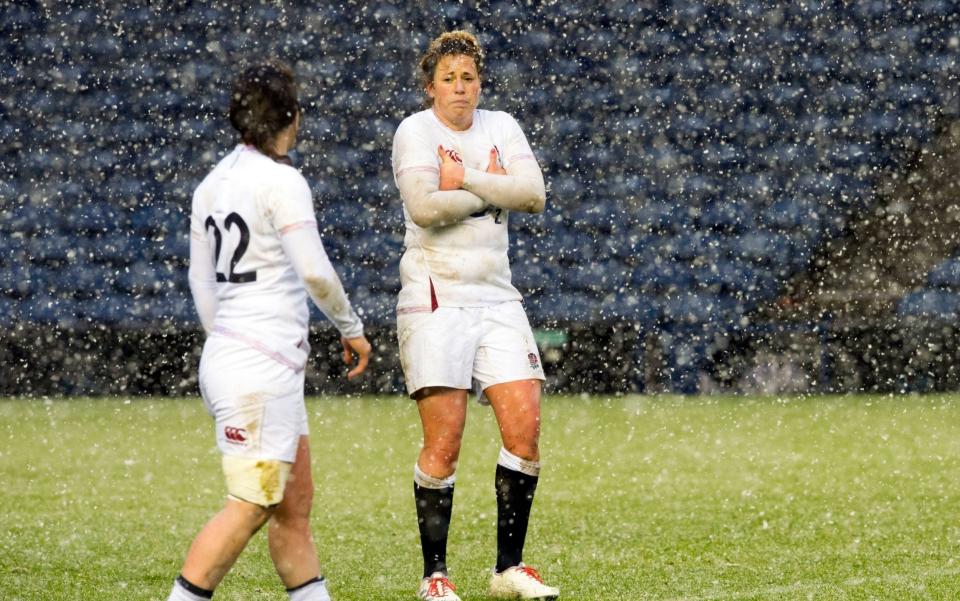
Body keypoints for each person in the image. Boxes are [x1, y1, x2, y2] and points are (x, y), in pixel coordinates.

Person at [167, 60, 372, 601]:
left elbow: (200, 279)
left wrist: (227, 343)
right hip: (261, 369)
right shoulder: (283, 181)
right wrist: (351, 328)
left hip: (239, 358)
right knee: (253, 505)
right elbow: (313, 271)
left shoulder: (211, 185)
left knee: (292, 509)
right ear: (291, 118)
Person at [391, 31, 559, 601]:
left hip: (496, 297)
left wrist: (463, 179)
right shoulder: (415, 131)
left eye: (468, 78)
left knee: (526, 430)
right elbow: (424, 207)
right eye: (448, 79)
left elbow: (534, 193)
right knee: (446, 442)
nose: (460, 89)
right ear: (430, 86)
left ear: (479, 82)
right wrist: (495, 189)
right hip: (435, 295)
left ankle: (508, 569)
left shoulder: (502, 126)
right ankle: (434, 576)